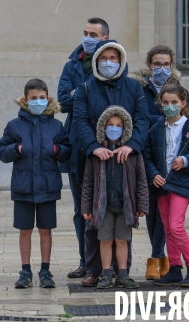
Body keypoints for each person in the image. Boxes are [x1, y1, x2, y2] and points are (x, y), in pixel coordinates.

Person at [73, 40, 149, 286]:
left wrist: (132, 145)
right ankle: (95, 269)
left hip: (126, 160)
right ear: (96, 61)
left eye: (113, 58)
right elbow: (80, 121)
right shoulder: (86, 88)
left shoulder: (134, 88)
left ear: (121, 61)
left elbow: (143, 119)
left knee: (123, 219)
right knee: (94, 220)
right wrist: (94, 147)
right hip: (96, 160)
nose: (108, 62)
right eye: (103, 58)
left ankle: (121, 271)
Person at [0, 79, 72, 289]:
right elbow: (1, 151)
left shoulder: (56, 125)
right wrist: (16, 149)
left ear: (47, 99)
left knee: (46, 229)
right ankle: (25, 270)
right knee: (25, 230)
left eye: (41, 98)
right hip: (23, 187)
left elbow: (67, 151)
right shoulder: (14, 125)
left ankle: (45, 270)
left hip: (48, 186)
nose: (38, 101)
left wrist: (58, 151)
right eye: (33, 98)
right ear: (25, 100)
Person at [143, 84, 189, 287]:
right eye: (165, 103)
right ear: (160, 104)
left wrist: (186, 160)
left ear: (183, 104)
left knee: (175, 225)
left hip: (183, 182)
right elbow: (147, 156)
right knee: (167, 227)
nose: (169, 106)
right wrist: (153, 174)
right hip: (162, 184)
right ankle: (174, 268)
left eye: (174, 102)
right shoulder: (156, 128)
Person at [129, 45, 189, 280]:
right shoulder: (139, 88)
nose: (162, 68)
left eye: (166, 64)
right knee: (151, 210)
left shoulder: (179, 90)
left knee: (167, 213)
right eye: (157, 64)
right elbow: (138, 118)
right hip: (146, 154)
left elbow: (184, 118)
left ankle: (162, 259)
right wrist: (162, 118)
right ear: (149, 65)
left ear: (172, 65)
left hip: (169, 157)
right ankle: (157, 257)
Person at [57, 17, 109, 278]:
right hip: (77, 144)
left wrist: (81, 93)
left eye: (93, 34)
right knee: (82, 208)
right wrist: (86, 92)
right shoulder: (71, 66)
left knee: (108, 207)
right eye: (85, 32)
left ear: (104, 39)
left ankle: (107, 264)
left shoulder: (113, 63)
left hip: (105, 144)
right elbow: (64, 102)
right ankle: (86, 262)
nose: (87, 38)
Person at [81, 106, 149, 289]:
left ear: (125, 127)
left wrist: (142, 204)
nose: (114, 128)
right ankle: (105, 274)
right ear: (103, 126)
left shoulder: (133, 152)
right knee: (105, 240)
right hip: (103, 207)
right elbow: (87, 182)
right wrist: (86, 207)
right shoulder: (95, 154)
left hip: (125, 206)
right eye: (110, 124)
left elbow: (141, 179)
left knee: (122, 240)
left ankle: (123, 274)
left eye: (119, 125)